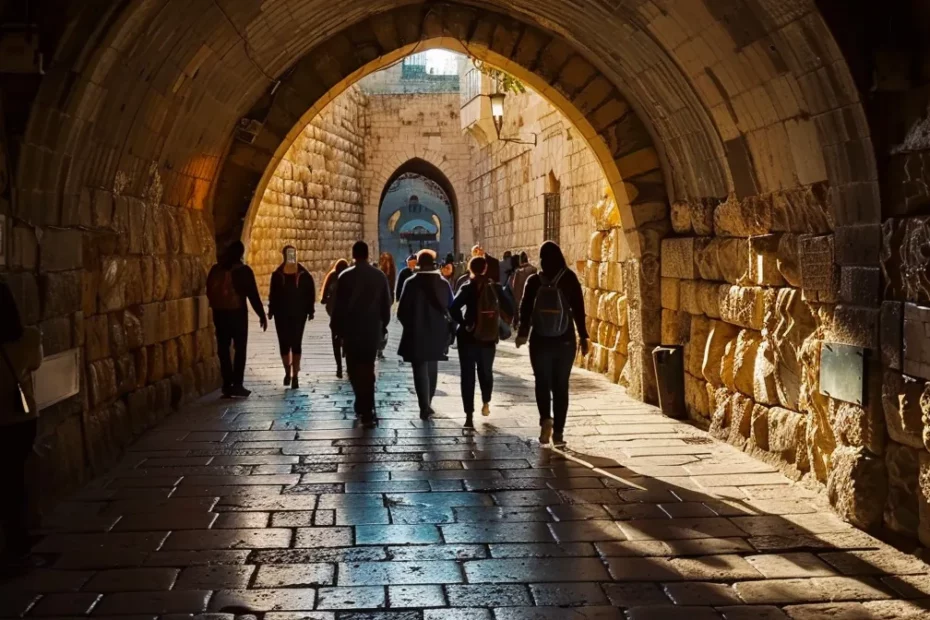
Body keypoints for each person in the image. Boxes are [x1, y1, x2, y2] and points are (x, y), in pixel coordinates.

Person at [515, 241, 589, 448]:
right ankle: (559, 433)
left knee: (542, 381)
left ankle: (545, 420)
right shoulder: (569, 278)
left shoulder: (534, 281)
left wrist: (522, 334)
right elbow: (579, 310)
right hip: (565, 340)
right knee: (561, 385)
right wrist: (584, 336)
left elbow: (525, 309)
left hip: (540, 340)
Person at [0, 278, 43, 564]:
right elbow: (35, 364)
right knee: (14, 479)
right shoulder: (29, 338)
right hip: (20, 420)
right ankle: (17, 538)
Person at [331, 242, 392, 428]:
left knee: (353, 370)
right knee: (368, 369)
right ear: (367, 254)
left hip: (351, 332)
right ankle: (366, 407)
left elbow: (337, 307)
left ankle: (362, 404)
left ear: (354, 255)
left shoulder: (344, 276)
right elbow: (386, 305)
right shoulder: (380, 276)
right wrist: (383, 325)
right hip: (371, 331)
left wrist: (337, 330)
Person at [449, 256, 513, 429]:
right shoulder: (496, 287)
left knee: (467, 376)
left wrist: (464, 323)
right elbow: (511, 307)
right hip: (488, 337)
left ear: (470, 268)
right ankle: (486, 402)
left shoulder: (467, 287)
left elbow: (453, 308)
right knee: (486, 371)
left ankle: (468, 416)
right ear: (485, 269)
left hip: (468, 337)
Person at [397, 249, 453, 420]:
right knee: (432, 367)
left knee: (419, 369)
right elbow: (452, 308)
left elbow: (401, 311)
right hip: (437, 332)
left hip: (416, 332)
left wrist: (411, 325)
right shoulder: (443, 283)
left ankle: (424, 405)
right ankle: (429, 401)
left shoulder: (410, 282)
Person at [206, 241, 267, 398]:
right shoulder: (243, 271)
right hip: (237, 313)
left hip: (219, 314)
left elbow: (208, 290)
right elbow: (252, 295)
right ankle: (238, 384)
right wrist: (261, 314)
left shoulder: (216, 269)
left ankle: (227, 384)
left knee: (223, 349)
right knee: (240, 348)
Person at [267, 245, 315, 389]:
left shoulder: (303, 275)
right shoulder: (278, 275)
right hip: (281, 314)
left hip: (298, 314)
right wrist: (271, 310)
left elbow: (309, 293)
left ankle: (294, 376)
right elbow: (273, 294)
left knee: (295, 343)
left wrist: (310, 310)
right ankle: (288, 373)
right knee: (285, 344)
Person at [321, 258, 350, 377]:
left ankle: (339, 367)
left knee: (335, 341)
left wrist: (326, 300)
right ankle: (348, 366)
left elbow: (324, 297)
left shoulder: (332, 276)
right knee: (349, 339)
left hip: (335, 315)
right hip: (348, 315)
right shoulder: (349, 276)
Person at [377, 252, 397, 360]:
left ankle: (380, 348)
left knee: (383, 324)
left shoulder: (391, 274)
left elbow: (392, 288)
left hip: (386, 301)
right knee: (380, 325)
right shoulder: (379, 273)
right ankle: (379, 349)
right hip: (379, 302)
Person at [511, 251, 537, 328]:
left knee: (517, 306)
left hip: (519, 295)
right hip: (530, 294)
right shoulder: (533, 269)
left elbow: (514, 286)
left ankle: (516, 322)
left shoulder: (518, 271)